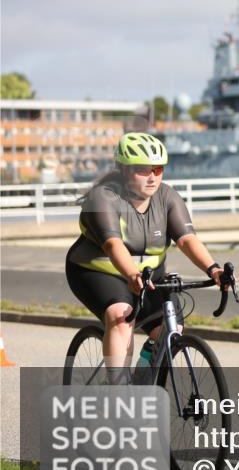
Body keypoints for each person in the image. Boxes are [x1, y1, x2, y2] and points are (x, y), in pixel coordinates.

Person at [65, 132, 227, 383]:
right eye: (143, 169)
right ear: (123, 169)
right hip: (97, 272)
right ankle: (118, 389)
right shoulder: (103, 198)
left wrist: (213, 269)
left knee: (172, 326)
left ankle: (141, 379)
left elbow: (186, 239)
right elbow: (112, 244)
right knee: (121, 316)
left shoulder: (167, 197)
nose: (152, 176)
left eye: (158, 169)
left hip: (147, 275)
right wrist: (131, 274)